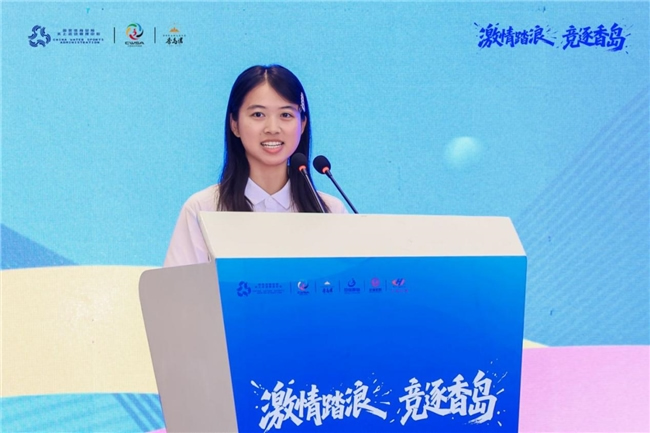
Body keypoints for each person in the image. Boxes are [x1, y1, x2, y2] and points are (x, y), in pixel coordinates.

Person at [163, 65, 347, 267]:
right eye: (258, 115)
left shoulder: (330, 212)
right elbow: (177, 287)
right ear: (234, 124)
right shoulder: (203, 209)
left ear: (302, 124)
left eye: (285, 115)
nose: (272, 128)